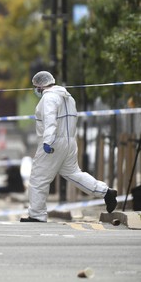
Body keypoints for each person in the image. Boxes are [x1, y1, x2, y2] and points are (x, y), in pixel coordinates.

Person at [21, 71, 117, 222]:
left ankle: (37, 215)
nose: (35, 90)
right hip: (70, 142)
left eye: (35, 87)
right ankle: (106, 192)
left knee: (38, 179)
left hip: (53, 142)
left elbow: (50, 121)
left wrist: (47, 141)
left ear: (40, 86)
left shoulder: (49, 98)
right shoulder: (68, 97)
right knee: (74, 174)